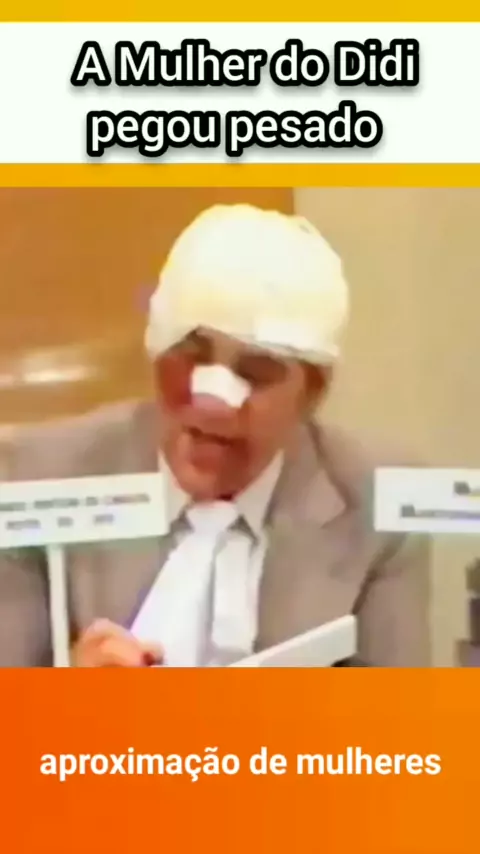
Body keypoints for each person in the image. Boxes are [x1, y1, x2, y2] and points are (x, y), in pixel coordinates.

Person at [0, 204, 431, 667]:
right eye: (190, 354)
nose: (213, 401)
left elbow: (397, 707)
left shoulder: (378, 504)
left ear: (312, 391)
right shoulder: (31, 478)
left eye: (256, 372)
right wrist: (65, 699)